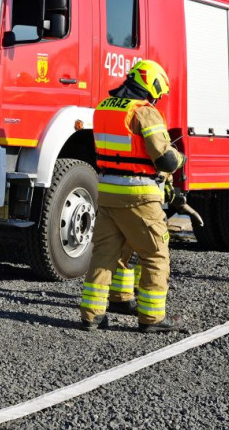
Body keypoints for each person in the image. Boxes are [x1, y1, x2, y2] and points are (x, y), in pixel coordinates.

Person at [80, 59, 186, 333]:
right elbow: (165, 160)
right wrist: (180, 159)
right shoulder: (144, 112)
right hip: (138, 194)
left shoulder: (104, 108)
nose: (157, 98)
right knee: (156, 254)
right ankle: (152, 318)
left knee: (107, 252)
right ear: (152, 85)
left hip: (107, 193)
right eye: (158, 92)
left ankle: (94, 314)